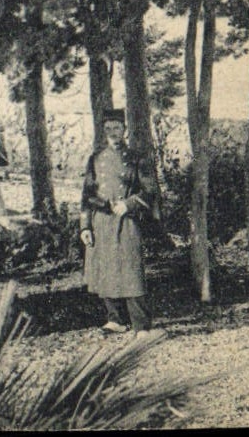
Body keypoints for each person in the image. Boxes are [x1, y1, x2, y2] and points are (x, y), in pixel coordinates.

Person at [80, 107, 161, 335]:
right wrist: (85, 225)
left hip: (126, 219)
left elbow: (150, 190)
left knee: (130, 269)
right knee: (105, 267)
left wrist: (129, 204)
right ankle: (115, 319)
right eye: (108, 129)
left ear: (124, 129)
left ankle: (141, 324)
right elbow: (86, 194)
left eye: (117, 127)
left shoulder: (137, 158)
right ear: (103, 131)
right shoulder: (95, 159)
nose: (113, 132)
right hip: (101, 220)